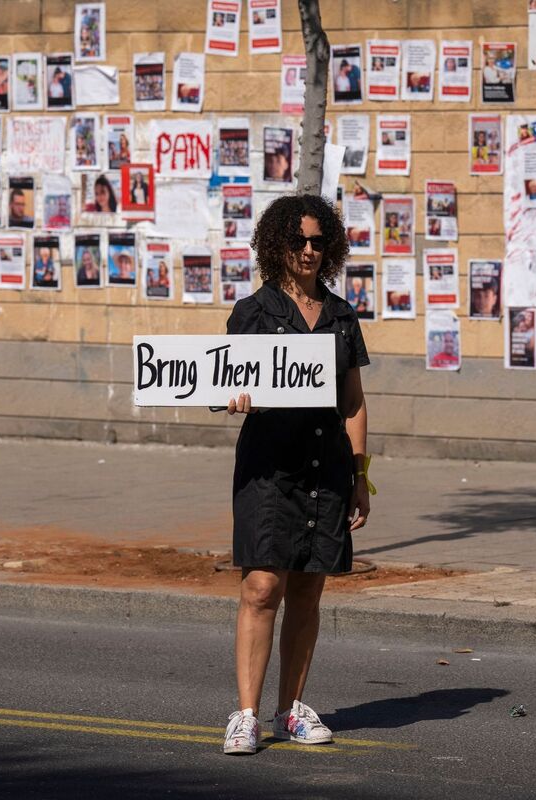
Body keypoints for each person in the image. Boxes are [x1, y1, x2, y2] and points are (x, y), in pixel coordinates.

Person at [222, 194, 371, 756]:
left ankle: (290, 712)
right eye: (298, 241)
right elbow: (222, 380)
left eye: (317, 242)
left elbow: (353, 403)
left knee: (308, 592)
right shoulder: (253, 312)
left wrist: (361, 475)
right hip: (268, 469)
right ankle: (246, 714)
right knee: (262, 587)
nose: (308, 251)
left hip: (326, 468)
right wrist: (232, 399)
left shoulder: (340, 316)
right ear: (277, 246)